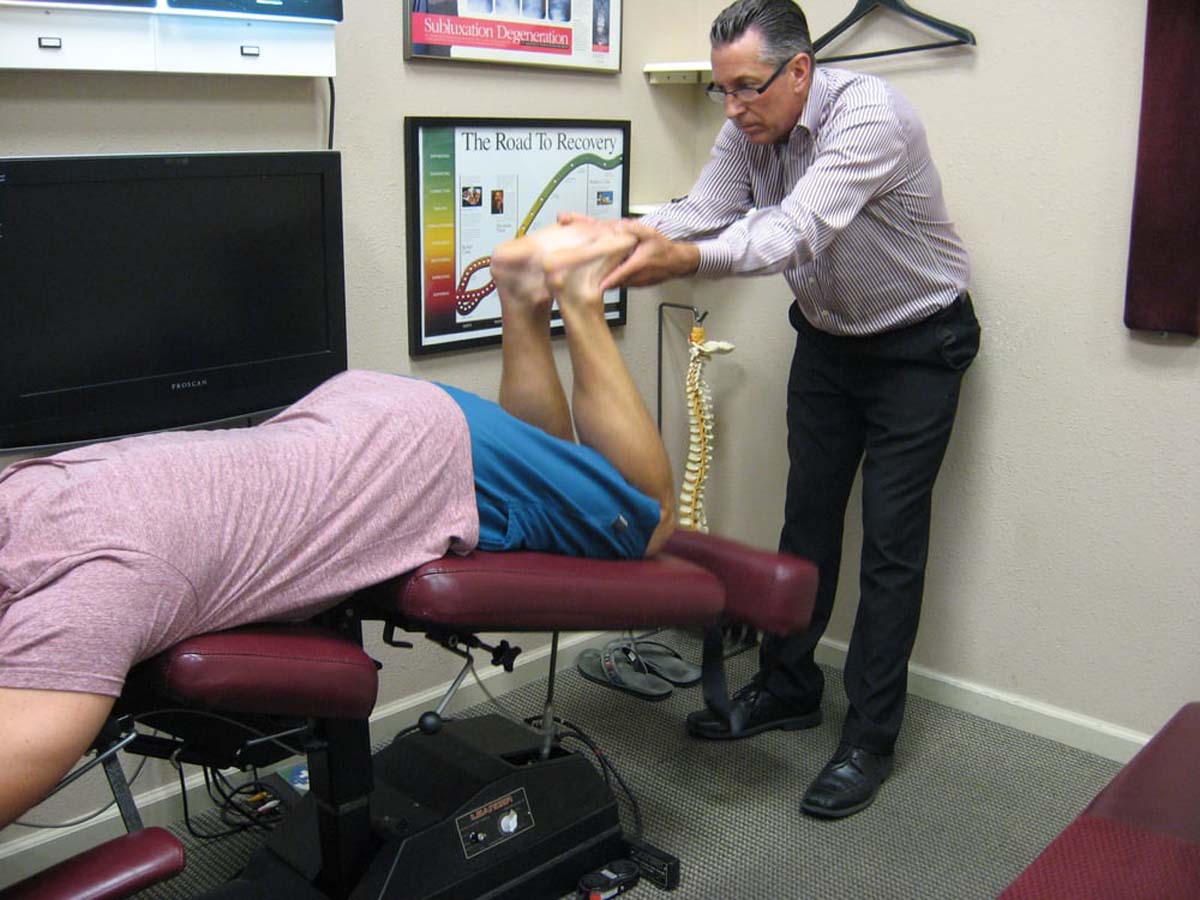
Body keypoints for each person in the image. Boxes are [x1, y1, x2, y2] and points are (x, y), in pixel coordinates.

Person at [0, 222, 674, 831]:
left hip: (427, 453)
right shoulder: (24, 490)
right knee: (550, 484)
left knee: (648, 526)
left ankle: (579, 297)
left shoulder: (81, 602)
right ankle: (524, 295)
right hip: (353, 412)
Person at [569, 0, 980, 818]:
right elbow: (702, 210)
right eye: (723, 91)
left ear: (801, 70)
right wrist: (617, 236)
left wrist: (682, 257)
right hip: (828, 341)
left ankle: (868, 739)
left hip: (917, 345)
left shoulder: (870, 116)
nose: (732, 109)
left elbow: (792, 233)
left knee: (892, 546)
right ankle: (788, 685)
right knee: (807, 522)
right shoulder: (749, 122)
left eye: (747, 88)